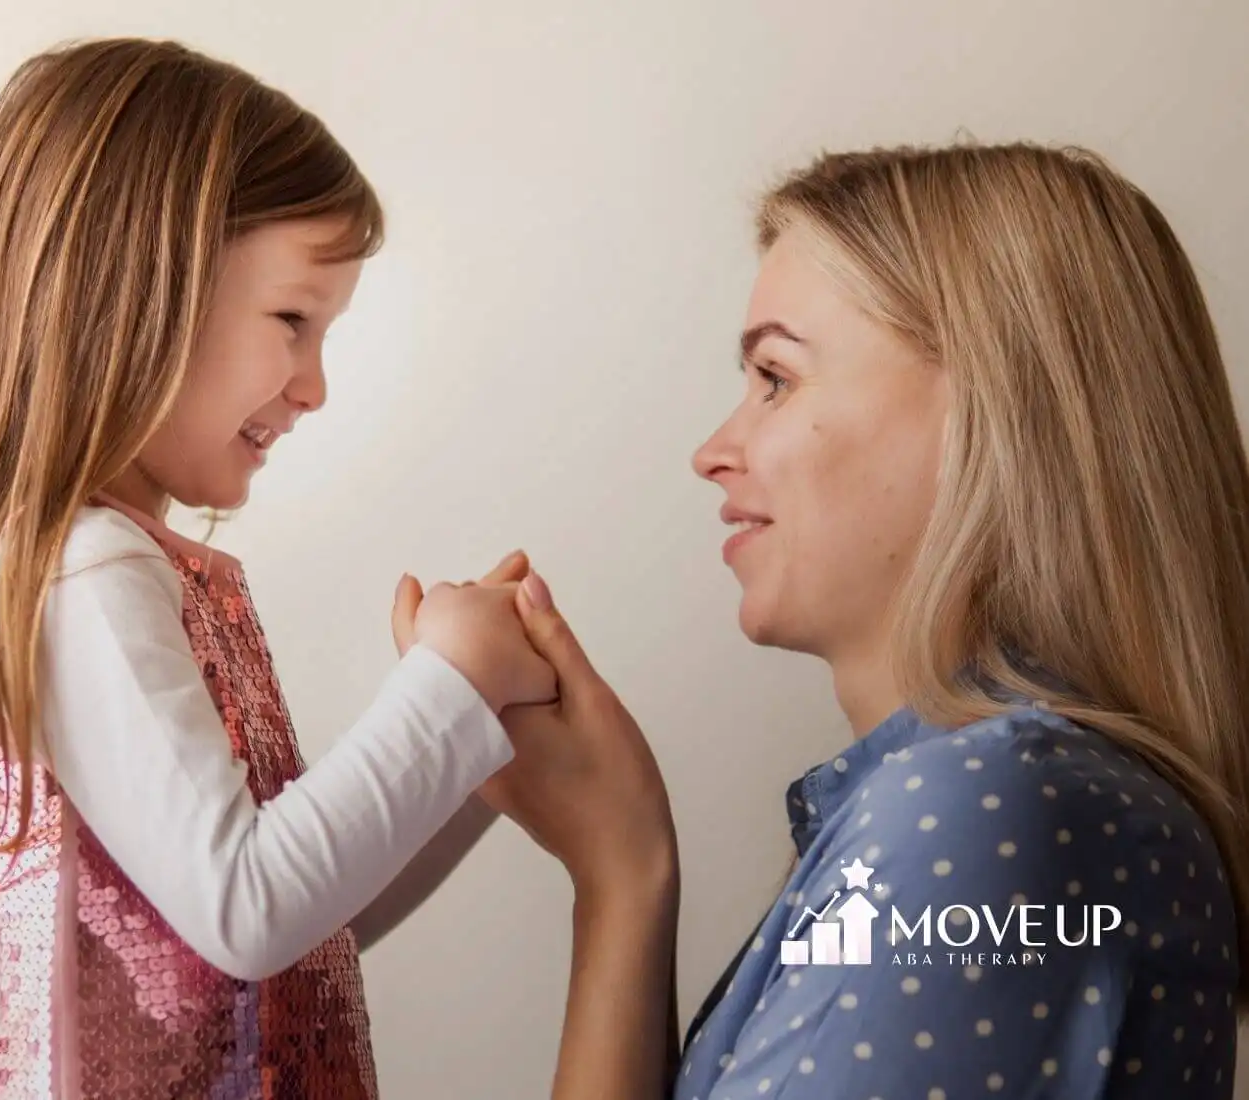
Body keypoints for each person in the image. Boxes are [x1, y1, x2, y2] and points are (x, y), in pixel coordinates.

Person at [422, 143, 1249, 1098]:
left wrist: (619, 872)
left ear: (992, 405)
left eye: (775, 377)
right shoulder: (1000, 805)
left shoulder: (984, 809)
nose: (713, 451)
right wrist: (620, 868)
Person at [0, 37, 555, 1098]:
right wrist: (451, 685)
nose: (314, 387)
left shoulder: (88, 566)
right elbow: (249, 909)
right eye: (292, 321)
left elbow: (299, 935)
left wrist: (475, 755)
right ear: (131, 293)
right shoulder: (80, 572)